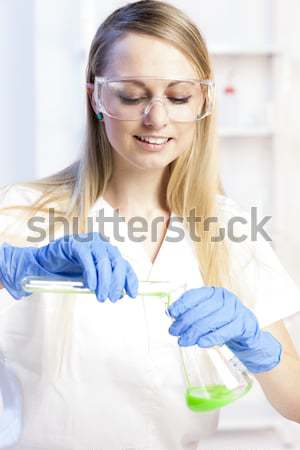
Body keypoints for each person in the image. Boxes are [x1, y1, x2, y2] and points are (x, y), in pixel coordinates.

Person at [0, 1, 300, 449]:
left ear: (204, 101)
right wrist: (13, 265)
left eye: (178, 97)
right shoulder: (23, 214)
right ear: (96, 98)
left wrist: (257, 344)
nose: (156, 118)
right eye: (132, 95)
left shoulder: (226, 228)